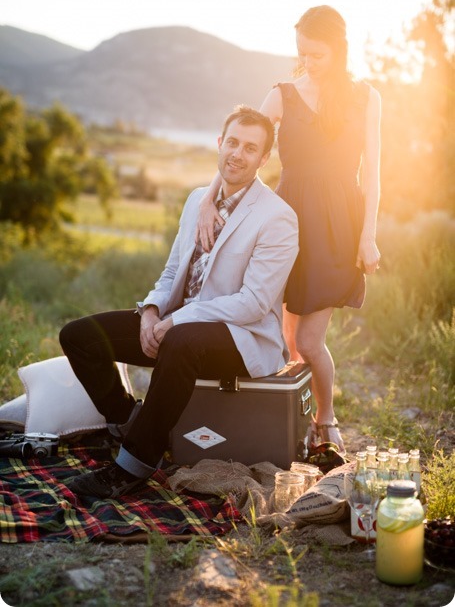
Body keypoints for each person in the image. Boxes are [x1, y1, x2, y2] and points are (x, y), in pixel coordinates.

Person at [60, 105, 299, 499]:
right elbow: (172, 272)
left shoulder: (278, 218)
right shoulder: (195, 202)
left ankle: (132, 463)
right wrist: (151, 311)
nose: (237, 154)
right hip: (176, 330)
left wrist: (177, 321)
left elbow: (254, 303)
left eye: (250, 148)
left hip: (242, 339)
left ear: (264, 159)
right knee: (80, 336)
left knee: (181, 340)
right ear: (220, 143)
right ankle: (127, 422)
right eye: (233, 142)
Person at [197, 6, 381, 454]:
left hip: (338, 226)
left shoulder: (366, 97)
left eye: (317, 55)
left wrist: (368, 235)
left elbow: (373, 173)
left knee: (308, 340)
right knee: (277, 337)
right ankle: (280, 418)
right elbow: (244, 146)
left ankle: (326, 418)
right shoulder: (282, 94)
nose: (308, 63)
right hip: (283, 222)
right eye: (302, 53)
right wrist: (208, 198)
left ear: (338, 50)